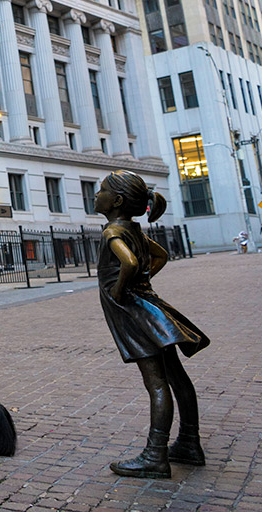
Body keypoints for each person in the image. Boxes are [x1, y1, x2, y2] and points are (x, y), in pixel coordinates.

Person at [94, 170, 210, 479]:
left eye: (101, 190)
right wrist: (142, 282)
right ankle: (188, 442)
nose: (96, 194)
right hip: (150, 308)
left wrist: (120, 290)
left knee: (157, 383)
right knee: (176, 376)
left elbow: (130, 263)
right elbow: (159, 257)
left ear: (116, 201)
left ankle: (155, 455)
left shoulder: (112, 232)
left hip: (134, 313)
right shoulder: (135, 229)